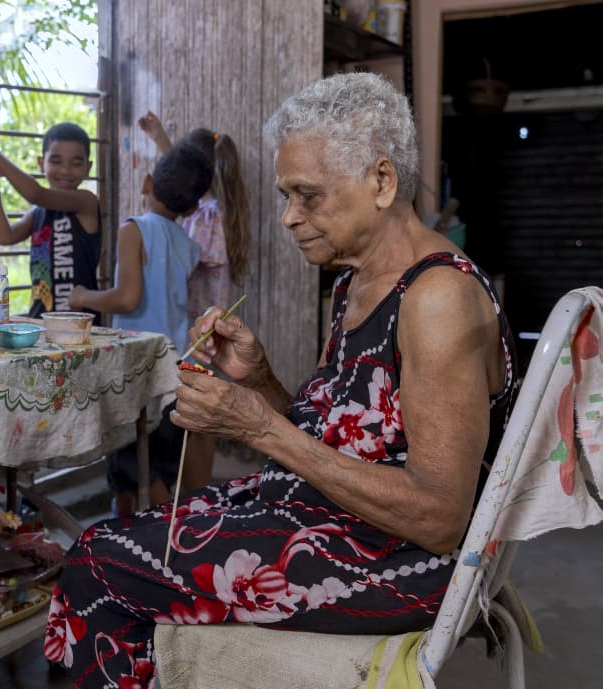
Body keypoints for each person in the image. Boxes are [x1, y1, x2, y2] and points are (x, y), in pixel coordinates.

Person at [43, 72, 516, 689]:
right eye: (285, 196)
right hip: (336, 521)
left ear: (381, 182)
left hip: (398, 560)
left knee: (98, 566)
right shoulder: (355, 281)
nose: (289, 217)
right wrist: (261, 380)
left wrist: (259, 426)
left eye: (307, 195)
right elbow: (343, 439)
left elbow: (439, 517)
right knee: (112, 539)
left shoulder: (438, 299)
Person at [69, 142, 213, 516]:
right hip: (176, 366)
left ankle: (138, 543)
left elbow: (128, 299)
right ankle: (165, 536)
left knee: (130, 464)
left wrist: (84, 296)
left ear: (147, 182)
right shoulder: (188, 243)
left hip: (137, 365)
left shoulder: (133, 229)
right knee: (161, 462)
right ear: (193, 207)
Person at [137, 113, 253, 490]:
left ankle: (194, 498)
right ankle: (197, 497)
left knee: (195, 425)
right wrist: (161, 138)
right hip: (208, 338)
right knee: (200, 422)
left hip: (196, 342)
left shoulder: (206, 217)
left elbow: (179, 247)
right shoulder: (222, 212)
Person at [0, 123, 101, 317]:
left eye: (76, 163)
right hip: (41, 321)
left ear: (88, 167)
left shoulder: (86, 202)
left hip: (80, 326)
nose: (65, 170)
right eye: (56, 161)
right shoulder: (39, 212)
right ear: (41, 163)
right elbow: (5, 237)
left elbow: (35, 193)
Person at [137, 112, 251, 321]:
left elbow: (180, 265)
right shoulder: (217, 212)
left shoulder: (206, 218)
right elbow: (180, 173)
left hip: (197, 327)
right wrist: (159, 137)